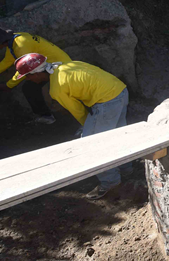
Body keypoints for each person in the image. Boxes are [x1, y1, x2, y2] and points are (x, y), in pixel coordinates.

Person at [13, 54, 130, 199]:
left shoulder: (57, 88)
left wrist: (88, 129)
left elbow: (79, 112)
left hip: (107, 102)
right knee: (116, 135)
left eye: (27, 76)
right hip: (119, 90)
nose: (27, 79)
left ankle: (110, 181)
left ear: (36, 73)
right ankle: (126, 169)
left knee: (92, 146)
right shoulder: (64, 66)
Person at [0, 27, 71, 124]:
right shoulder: (15, 40)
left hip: (58, 65)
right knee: (30, 87)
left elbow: (25, 69)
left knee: (32, 88)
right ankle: (47, 115)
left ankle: (52, 116)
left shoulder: (21, 46)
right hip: (47, 64)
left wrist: (9, 85)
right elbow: (7, 61)